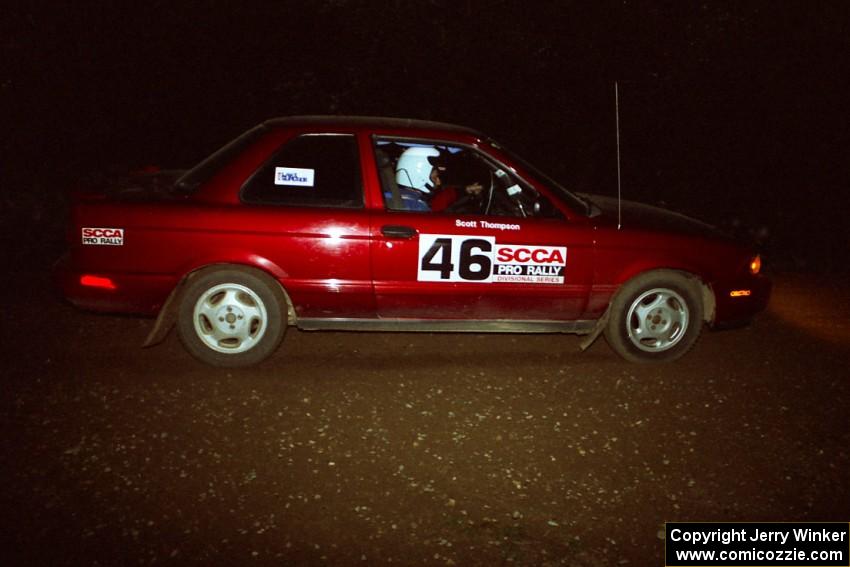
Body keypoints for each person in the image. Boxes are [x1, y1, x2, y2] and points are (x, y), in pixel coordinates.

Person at [393, 146, 485, 212]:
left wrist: (465, 190)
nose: (438, 182)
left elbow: (437, 202)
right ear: (419, 173)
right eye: (435, 177)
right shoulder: (416, 207)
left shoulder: (402, 197)